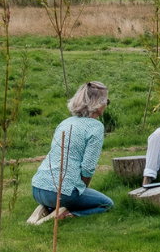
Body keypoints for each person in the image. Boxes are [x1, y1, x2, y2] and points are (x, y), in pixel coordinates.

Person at [30, 81, 114, 221]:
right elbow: (88, 167)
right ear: (98, 104)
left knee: (63, 193)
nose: (106, 105)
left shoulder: (66, 122)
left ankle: (46, 207)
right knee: (107, 204)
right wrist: (82, 190)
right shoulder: (96, 127)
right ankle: (66, 214)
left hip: (37, 187)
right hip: (61, 193)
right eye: (106, 101)